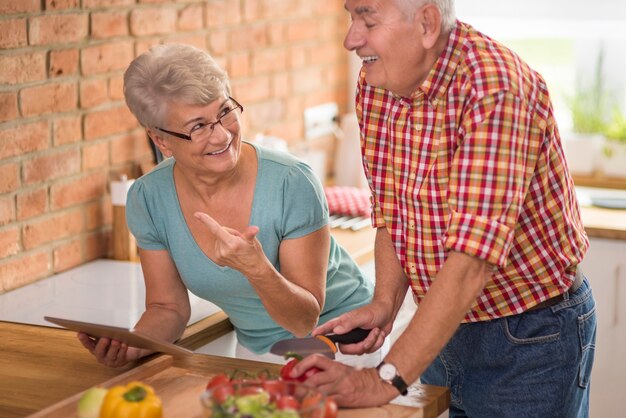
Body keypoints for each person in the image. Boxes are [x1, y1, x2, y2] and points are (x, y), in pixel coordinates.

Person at [291, 1, 597, 417]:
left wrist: (383, 380)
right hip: (443, 324)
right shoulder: (378, 81)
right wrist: (385, 303)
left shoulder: (496, 88)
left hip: (530, 339)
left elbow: (473, 259)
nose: (351, 38)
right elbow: (393, 210)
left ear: (428, 23)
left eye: (367, 19)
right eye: (350, 17)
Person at [77, 43, 379, 368]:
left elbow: (303, 319)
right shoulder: (149, 199)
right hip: (257, 348)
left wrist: (256, 268)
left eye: (224, 112)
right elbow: (168, 308)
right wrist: (133, 345)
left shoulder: (291, 182)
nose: (221, 136)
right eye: (197, 126)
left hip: (341, 340)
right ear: (161, 140)